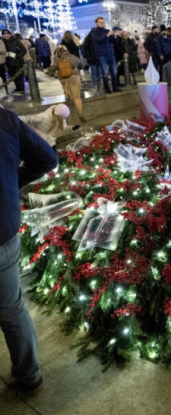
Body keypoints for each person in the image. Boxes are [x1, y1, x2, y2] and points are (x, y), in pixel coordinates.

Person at [0, 106, 59, 397]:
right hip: (2, 232)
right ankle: (29, 376)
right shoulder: (4, 119)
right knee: (11, 308)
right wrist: (12, 182)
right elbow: (47, 157)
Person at [46, 46, 85, 122]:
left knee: (66, 89)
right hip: (75, 76)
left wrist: (46, 70)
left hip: (64, 78)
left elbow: (52, 68)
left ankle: (68, 98)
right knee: (77, 97)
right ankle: (80, 115)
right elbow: (82, 66)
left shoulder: (58, 59)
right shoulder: (73, 56)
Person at [88, 17, 120, 94]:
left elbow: (114, 42)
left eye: (103, 22)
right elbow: (98, 40)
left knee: (114, 71)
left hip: (111, 54)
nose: (102, 24)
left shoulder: (107, 31)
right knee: (105, 72)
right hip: (102, 55)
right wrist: (107, 35)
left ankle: (115, 87)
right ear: (96, 23)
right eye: (100, 22)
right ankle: (107, 88)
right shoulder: (94, 32)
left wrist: (115, 36)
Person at [2, 29, 27, 93]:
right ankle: (17, 88)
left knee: (19, 76)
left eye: (7, 34)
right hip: (8, 62)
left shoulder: (16, 41)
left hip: (17, 61)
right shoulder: (2, 42)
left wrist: (18, 56)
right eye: (4, 34)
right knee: (12, 75)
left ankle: (21, 88)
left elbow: (23, 50)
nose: (6, 35)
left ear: (10, 34)